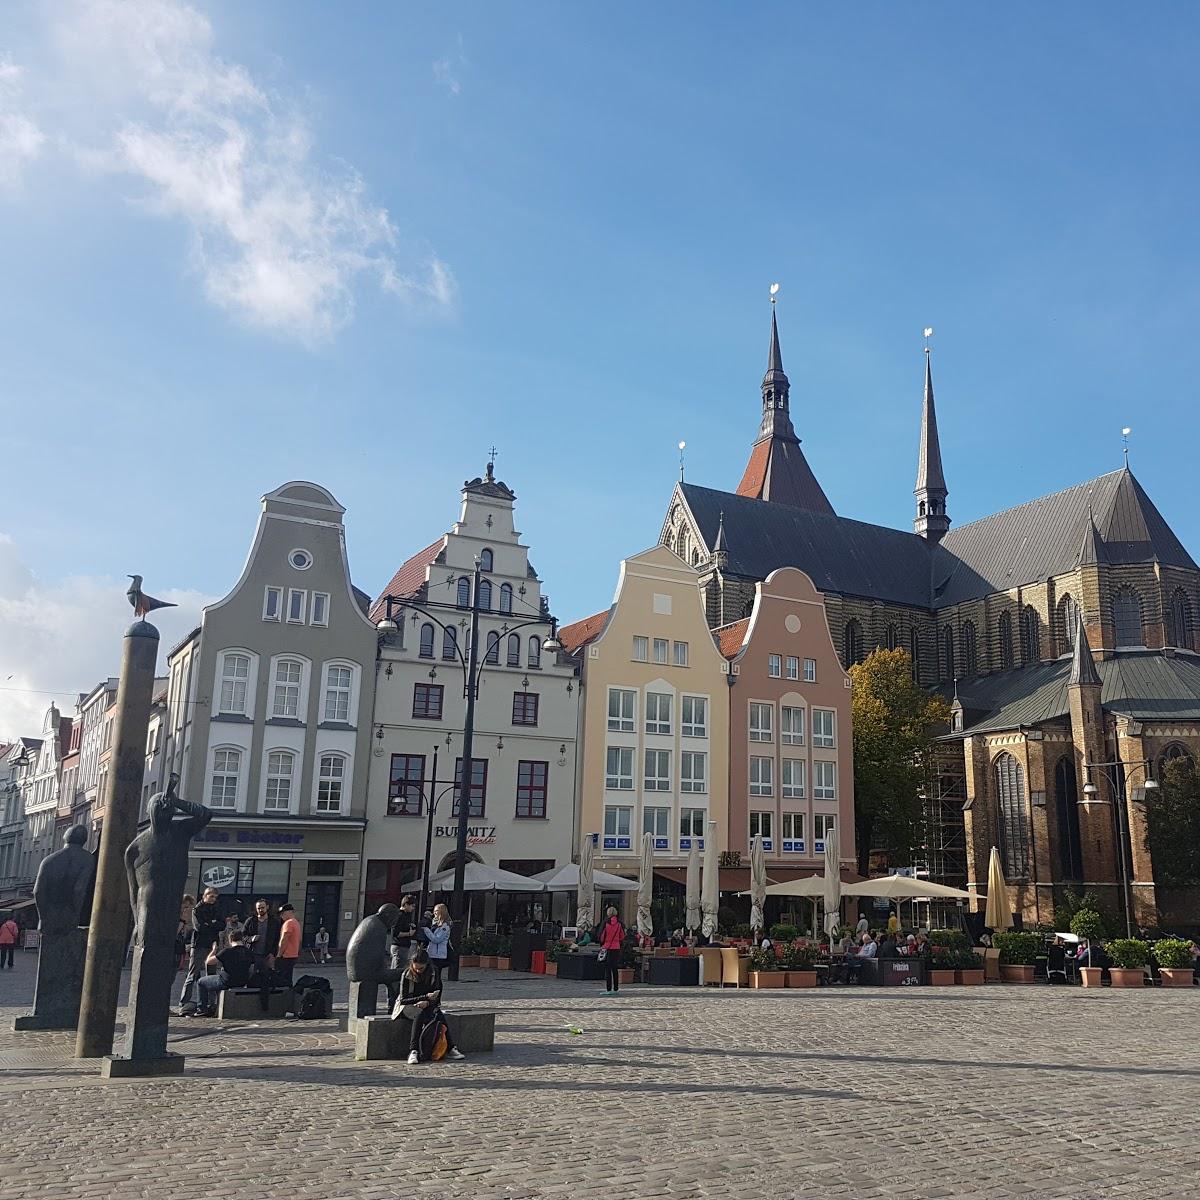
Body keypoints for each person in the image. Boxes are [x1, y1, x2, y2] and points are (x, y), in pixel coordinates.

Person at [392, 947, 465, 1064]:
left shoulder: (433, 973)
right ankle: (414, 1050)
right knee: (419, 1014)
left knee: (438, 1013)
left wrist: (428, 1002)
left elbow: (437, 995)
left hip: (428, 1005)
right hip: (408, 1006)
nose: (418, 971)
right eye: (416, 968)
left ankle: (451, 1048)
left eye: (421, 968)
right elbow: (403, 1000)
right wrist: (424, 998)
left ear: (427, 965)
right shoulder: (406, 975)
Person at [179, 886, 223, 1012]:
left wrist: (210, 924)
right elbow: (199, 927)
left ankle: (210, 1003)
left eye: (215, 897)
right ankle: (184, 1003)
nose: (213, 899)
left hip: (212, 945)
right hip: (199, 945)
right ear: (205, 895)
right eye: (211, 896)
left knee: (211, 976)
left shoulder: (217, 908)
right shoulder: (197, 909)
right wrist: (213, 924)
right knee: (193, 975)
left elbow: (222, 925)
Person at [194, 929, 254, 1016]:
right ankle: (217, 1006)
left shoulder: (227, 951)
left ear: (230, 939)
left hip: (226, 981)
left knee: (201, 982)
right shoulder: (248, 952)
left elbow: (208, 962)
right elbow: (251, 969)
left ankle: (202, 1009)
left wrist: (213, 950)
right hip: (242, 981)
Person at [242, 899, 281, 1012]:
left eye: (262, 907)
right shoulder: (250, 921)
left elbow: (277, 939)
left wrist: (273, 954)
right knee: (252, 979)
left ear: (267, 907)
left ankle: (264, 1005)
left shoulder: (274, 922)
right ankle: (250, 1005)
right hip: (253, 955)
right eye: (258, 908)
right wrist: (250, 939)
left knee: (266, 980)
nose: (260, 910)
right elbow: (243, 936)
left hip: (267, 955)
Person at [598, 906, 625, 995]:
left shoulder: (605, 923)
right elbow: (622, 936)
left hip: (607, 947)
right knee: (615, 968)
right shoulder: (619, 924)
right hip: (616, 947)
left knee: (608, 969)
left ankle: (608, 989)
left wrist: (602, 943)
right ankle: (616, 988)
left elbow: (602, 936)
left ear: (608, 913)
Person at [422, 903, 452, 979]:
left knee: (437, 975)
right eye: (434, 911)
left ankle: (437, 989)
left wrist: (427, 930)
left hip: (439, 954)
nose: (435, 913)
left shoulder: (445, 926)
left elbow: (437, 939)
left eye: (437, 911)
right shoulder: (434, 923)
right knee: (430, 974)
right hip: (431, 952)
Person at [275, 903, 301, 987]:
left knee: (282, 979)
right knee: (288, 978)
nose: (281, 916)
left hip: (286, 956)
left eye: (282, 913)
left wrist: (279, 954)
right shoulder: (296, 923)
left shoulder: (288, 923)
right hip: (293, 955)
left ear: (289, 912)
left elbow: (284, 939)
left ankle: (283, 997)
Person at [391, 895, 417, 969]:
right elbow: (396, 933)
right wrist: (409, 933)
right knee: (397, 969)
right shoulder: (400, 915)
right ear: (406, 904)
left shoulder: (406, 915)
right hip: (400, 946)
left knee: (396, 968)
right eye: (412, 906)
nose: (413, 908)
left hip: (401, 946)